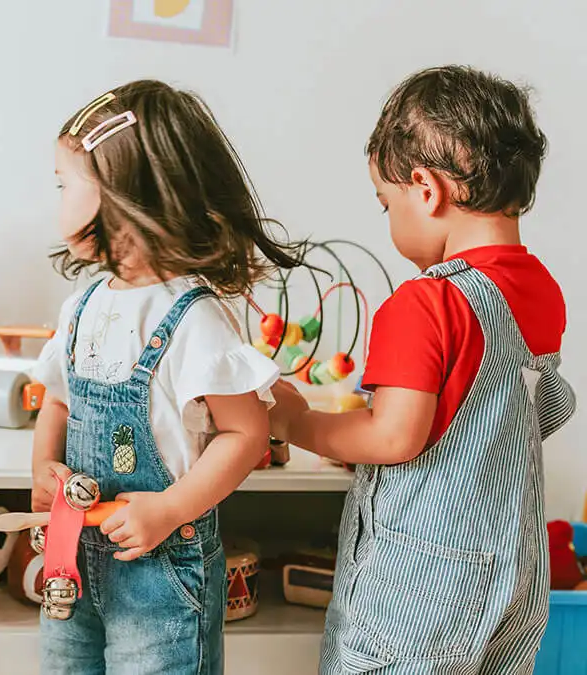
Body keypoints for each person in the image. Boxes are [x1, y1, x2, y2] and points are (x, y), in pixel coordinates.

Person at [270, 65, 576, 673]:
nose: (387, 221)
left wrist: (296, 421)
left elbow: (393, 437)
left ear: (425, 188)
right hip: (515, 581)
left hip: (423, 593)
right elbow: (536, 412)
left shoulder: (425, 302)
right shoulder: (541, 291)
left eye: (386, 203)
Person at [28, 80, 302, 674]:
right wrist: (42, 467)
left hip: (161, 576)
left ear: (120, 194)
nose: (55, 198)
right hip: (71, 557)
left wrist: (170, 509)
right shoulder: (84, 301)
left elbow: (246, 434)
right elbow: (57, 399)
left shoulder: (193, 315)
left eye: (63, 182)